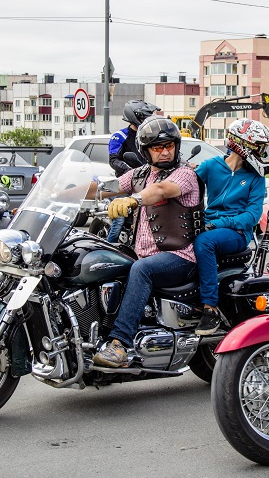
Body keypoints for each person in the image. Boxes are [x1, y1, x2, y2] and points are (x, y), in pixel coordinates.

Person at [93, 116, 202, 367]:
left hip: (179, 256)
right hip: (140, 252)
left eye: (169, 146)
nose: (164, 152)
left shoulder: (184, 174)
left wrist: (133, 200)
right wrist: (64, 190)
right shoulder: (139, 174)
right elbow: (105, 187)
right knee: (100, 257)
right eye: (157, 147)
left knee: (141, 270)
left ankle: (119, 343)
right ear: (146, 151)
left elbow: (162, 191)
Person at [193, 119, 269, 335]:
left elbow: (252, 216)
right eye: (259, 147)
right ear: (243, 144)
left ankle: (210, 308)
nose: (262, 153)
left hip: (237, 233)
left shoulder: (256, 177)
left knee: (204, 242)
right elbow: (187, 183)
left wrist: (217, 223)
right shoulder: (211, 166)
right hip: (209, 225)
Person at [106, 100, 161, 243]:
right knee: (119, 219)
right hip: (125, 184)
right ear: (133, 117)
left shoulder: (149, 136)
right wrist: (130, 170)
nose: (146, 120)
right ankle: (107, 246)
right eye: (143, 117)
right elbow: (114, 160)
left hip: (146, 181)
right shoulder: (120, 136)